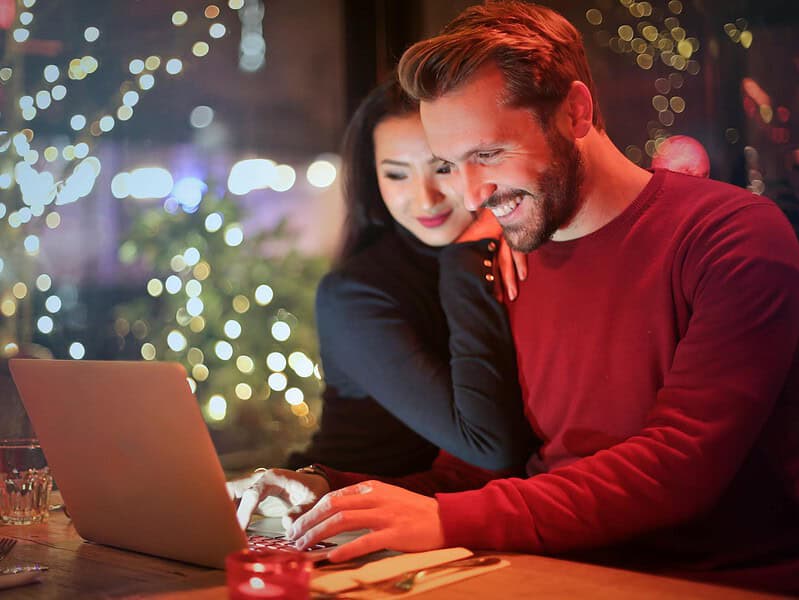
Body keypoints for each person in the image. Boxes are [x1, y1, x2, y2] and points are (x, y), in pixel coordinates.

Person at [235, 3, 799, 593]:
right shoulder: (510, 256)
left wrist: (447, 519)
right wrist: (336, 493)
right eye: (452, 164)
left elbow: (682, 462)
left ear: (575, 113)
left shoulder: (730, 237)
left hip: (711, 580)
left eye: (488, 154)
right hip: (547, 570)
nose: (471, 194)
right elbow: (486, 472)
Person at [229, 77, 536, 520]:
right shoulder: (356, 294)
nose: (424, 198)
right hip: (329, 517)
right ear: (374, 180)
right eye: (396, 174)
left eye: (442, 168)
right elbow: (489, 446)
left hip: (437, 519)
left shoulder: (513, 253)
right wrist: (468, 254)